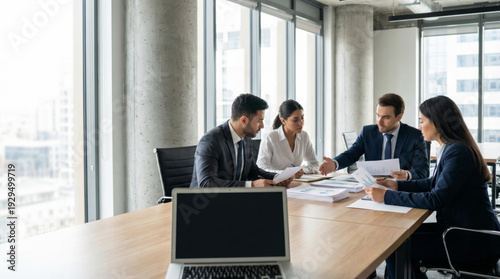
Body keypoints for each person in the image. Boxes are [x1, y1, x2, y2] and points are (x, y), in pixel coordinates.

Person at [365, 95, 500, 279]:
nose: (420, 127)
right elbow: (433, 183)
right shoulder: (450, 147)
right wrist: (396, 185)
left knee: (395, 245)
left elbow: (436, 198)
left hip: (471, 240)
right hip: (459, 230)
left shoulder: (457, 151)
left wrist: (386, 196)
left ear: (437, 122)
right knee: (396, 238)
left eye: (422, 121)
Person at [190, 93, 293, 188]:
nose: (262, 126)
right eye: (259, 121)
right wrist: (251, 185)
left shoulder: (245, 138)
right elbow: (207, 183)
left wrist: (276, 178)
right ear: (243, 120)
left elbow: (253, 171)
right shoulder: (211, 141)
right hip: (206, 203)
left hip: (234, 199)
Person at [319, 93, 429, 180]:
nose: (379, 122)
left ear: (399, 117)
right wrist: (334, 163)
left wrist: (407, 175)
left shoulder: (414, 136)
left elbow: (423, 170)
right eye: (378, 116)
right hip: (372, 187)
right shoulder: (368, 132)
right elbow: (351, 154)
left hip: (400, 190)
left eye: (386, 117)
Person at [257, 100, 319, 179]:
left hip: (297, 183)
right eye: (295, 120)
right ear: (283, 121)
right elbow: (261, 169)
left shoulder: (304, 136)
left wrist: (301, 170)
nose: (301, 123)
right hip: (276, 183)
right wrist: (287, 173)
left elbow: (315, 164)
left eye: (302, 118)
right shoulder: (270, 137)